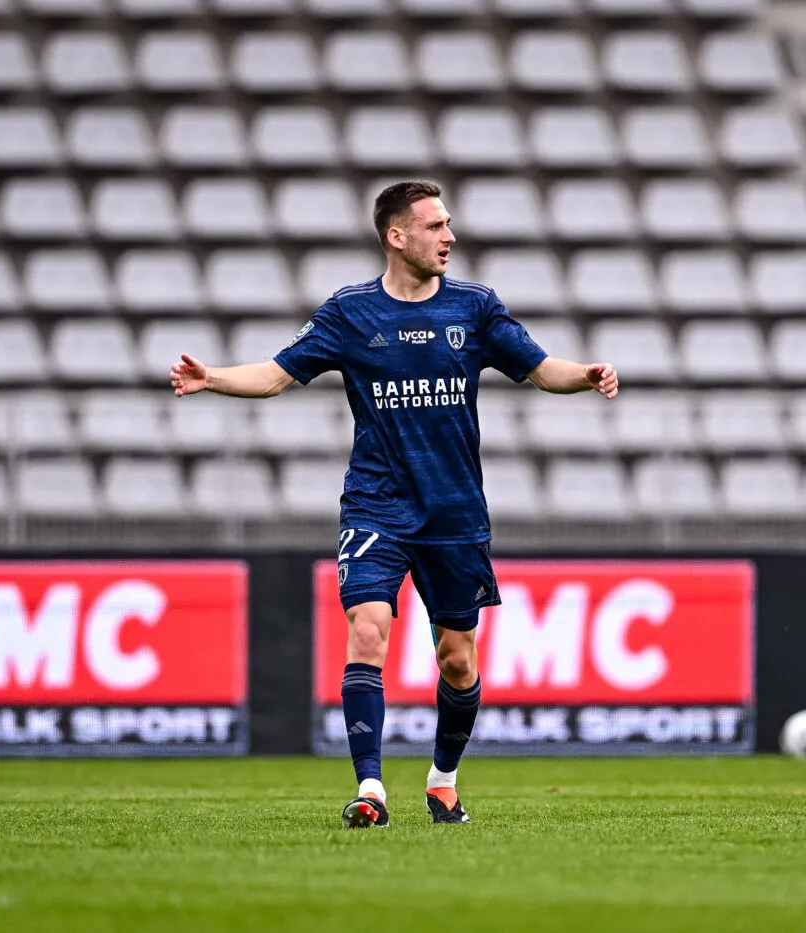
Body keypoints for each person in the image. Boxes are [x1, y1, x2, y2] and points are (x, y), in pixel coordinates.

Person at [170, 180, 619, 826]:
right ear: (397, 234)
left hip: (455, 512)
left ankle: (442, 780)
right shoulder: (351, 312)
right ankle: (370, 788)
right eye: (436, 225)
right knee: (367, 629)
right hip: (377, 504)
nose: (450, 237)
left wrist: (587, 374)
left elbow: (541, 367)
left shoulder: (476, 307)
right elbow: (276, 373)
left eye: (448, 225)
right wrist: (212, 378)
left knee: (457, 658)